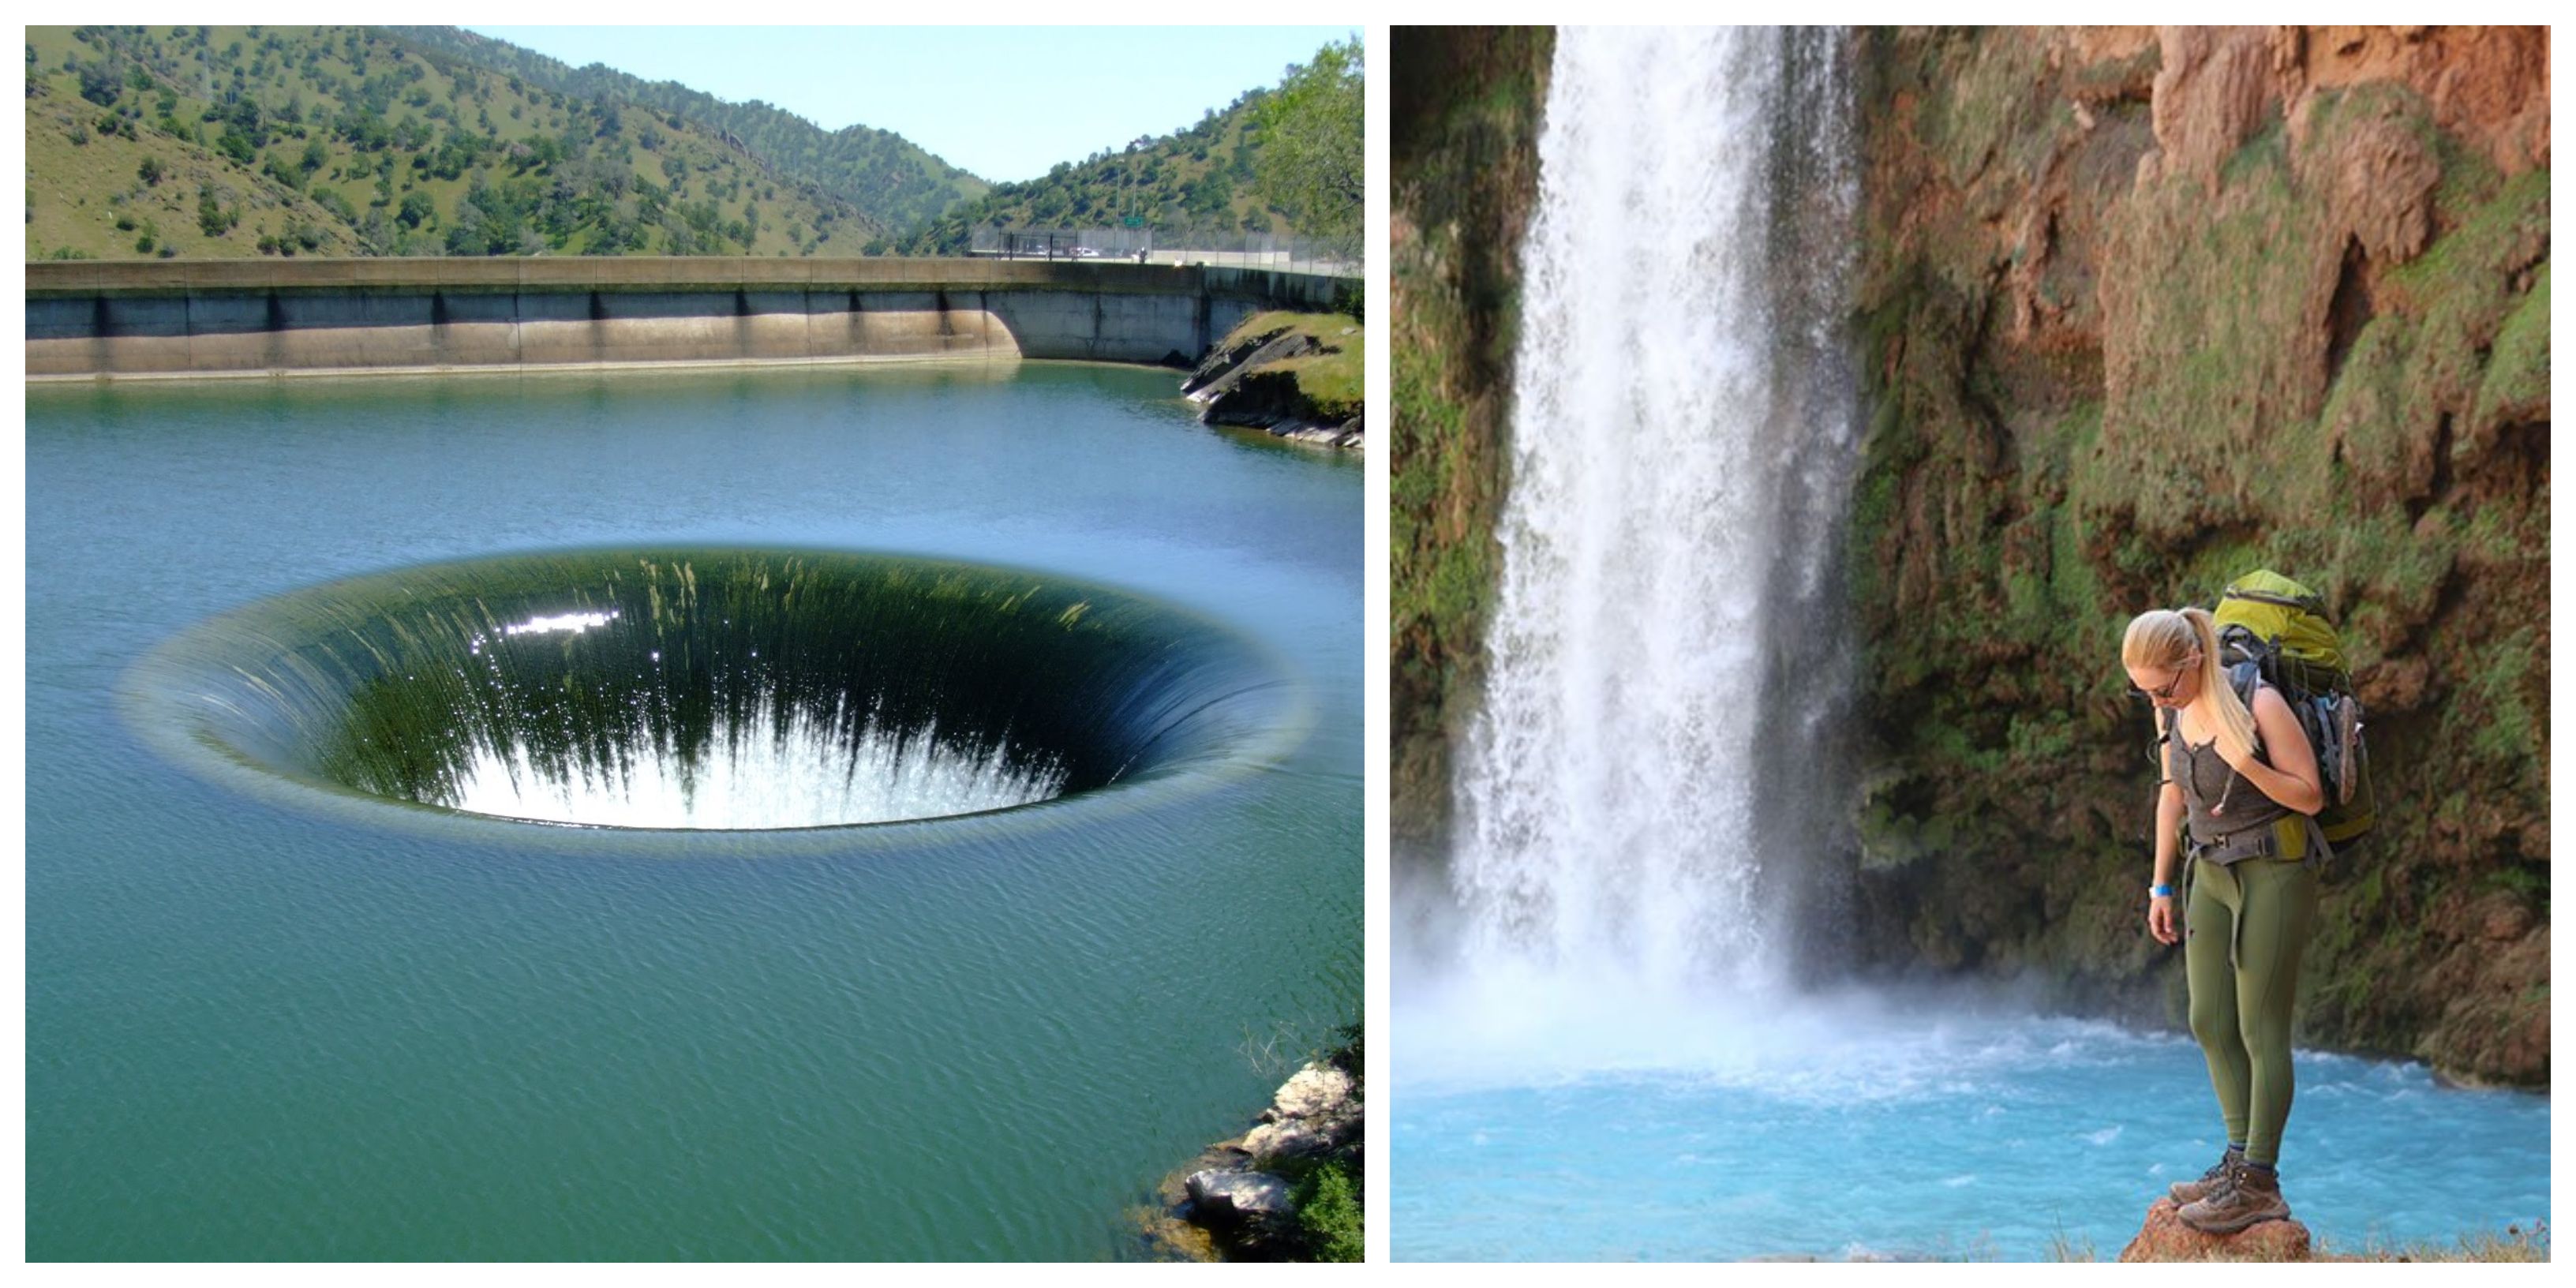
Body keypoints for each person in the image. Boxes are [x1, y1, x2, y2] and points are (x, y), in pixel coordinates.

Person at [2125, 606, 2327, 1235]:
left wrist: (2247, 764)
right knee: (2208, 1019)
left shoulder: (2257, 701)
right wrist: (2160, 884)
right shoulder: (2172, 708)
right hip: (2207, 869)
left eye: (2162, 687)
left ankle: (2261, 1183)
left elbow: (2310, 794)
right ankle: (2237, 1160)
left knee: (2260, 1027)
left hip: (2272, 868)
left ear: (2193, 661)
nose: (2156, 700)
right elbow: (2172, 794)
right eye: (2144, 692)